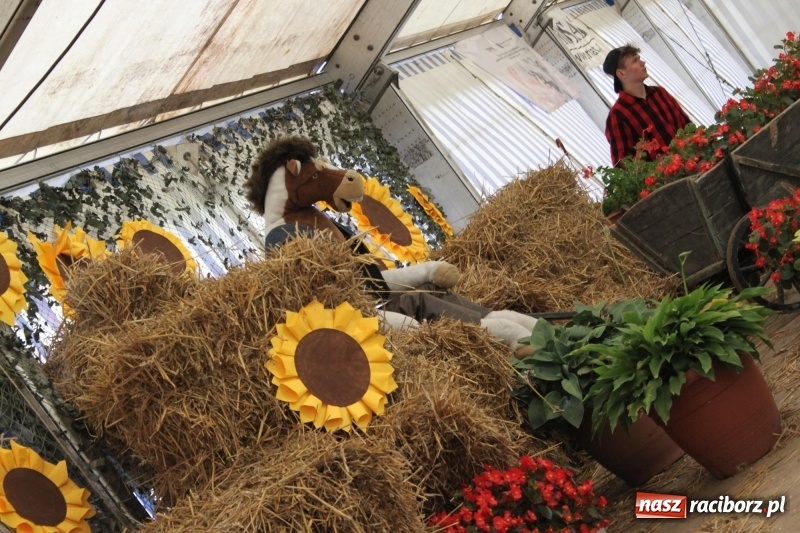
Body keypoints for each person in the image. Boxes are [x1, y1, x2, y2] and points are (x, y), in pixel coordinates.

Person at [602, 45, 691, 166]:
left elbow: (688, 126)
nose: (642, 63)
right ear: (622, 74)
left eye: (639, 58)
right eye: (635, 61)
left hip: (693, 164)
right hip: (669, 181)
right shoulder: (618, 116)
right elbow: (623, 165)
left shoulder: (660, 93)